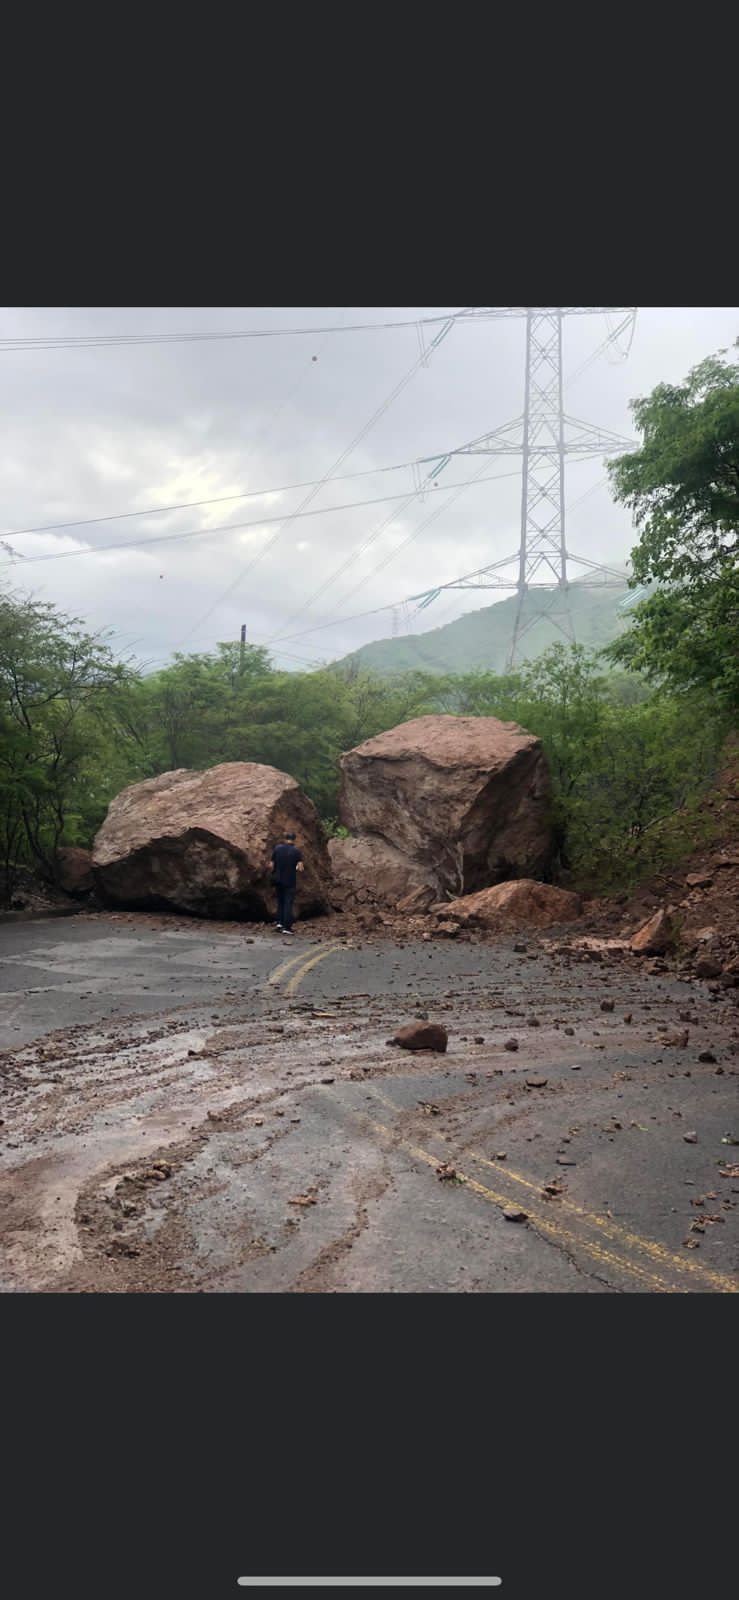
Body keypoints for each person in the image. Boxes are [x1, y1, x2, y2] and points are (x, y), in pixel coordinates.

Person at [270, 831, 304, 933]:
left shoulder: (277, 849)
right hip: (290, 881)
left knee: (280, 902)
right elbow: (301, 868)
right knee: (288, 903)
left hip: (278, 880)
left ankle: (279, 923)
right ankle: (287, 927)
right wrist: (296, 866)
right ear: (294, 840)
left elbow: (271, 865)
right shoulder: (296, 851)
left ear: (285, 839)